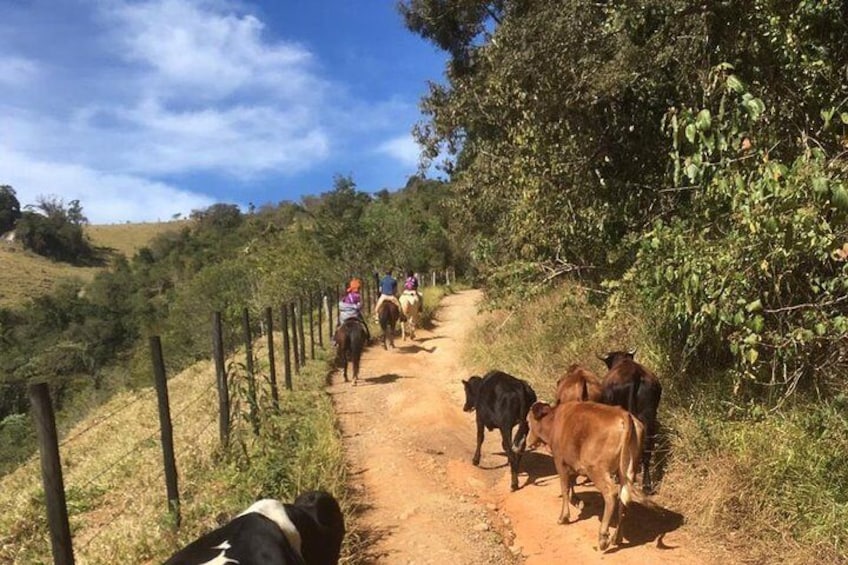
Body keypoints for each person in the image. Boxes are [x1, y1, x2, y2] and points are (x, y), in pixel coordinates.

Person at [335, 277, 369, 344]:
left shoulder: (347, 295)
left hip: (344, 315)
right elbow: (359, 306)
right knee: (363, 324)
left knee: (339, 325)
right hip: (354, 314)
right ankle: (367, 336)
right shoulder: (357, 296)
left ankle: (334, 338)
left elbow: (342, 303)